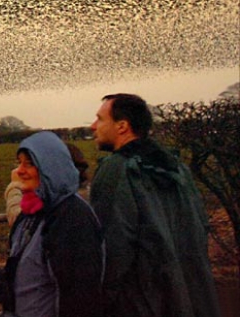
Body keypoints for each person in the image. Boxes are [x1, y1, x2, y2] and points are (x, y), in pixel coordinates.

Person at [90, 93, 221, 317]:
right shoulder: (176, 167)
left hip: (142, 302)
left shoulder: (116, 170)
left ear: (122, 126)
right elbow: (199, 226)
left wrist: (101, 301)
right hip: (190, 293)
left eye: (100, 119)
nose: (93, 126)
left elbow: (114, 246)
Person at [0, 131, 103, 317]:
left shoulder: (73, 218)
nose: (19, 171)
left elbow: (80, 296)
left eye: (29, 164)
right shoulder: (31, 212)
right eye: (19, 162)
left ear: (50, 168)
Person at [4, 140, 90, 226]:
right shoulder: (85, 195)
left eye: (30, 163)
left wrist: (15, 186)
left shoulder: (67, 206)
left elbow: (20, 220)